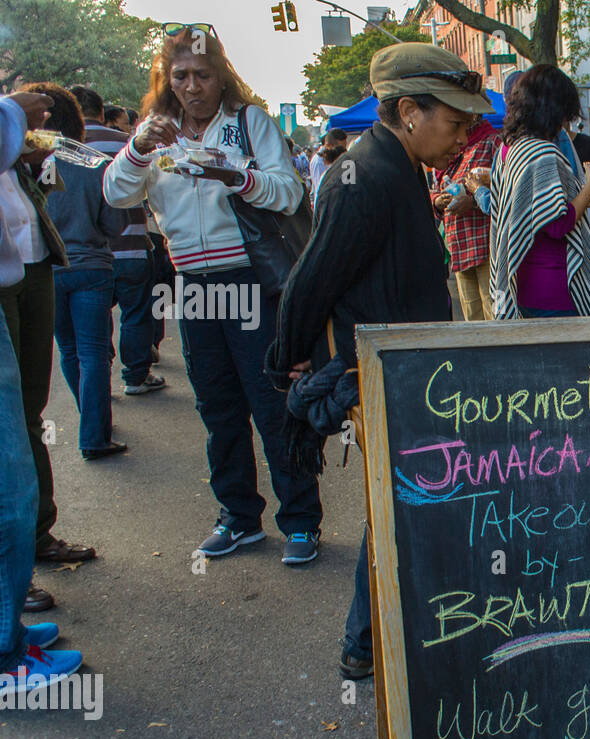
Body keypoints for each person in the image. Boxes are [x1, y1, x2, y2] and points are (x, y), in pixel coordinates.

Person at [269, 43, 490, 679]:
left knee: (402, 507)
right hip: (382, 378)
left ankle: (370, 641)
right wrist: (290, 363)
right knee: (399, 508)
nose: (462, 136)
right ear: (408, 111)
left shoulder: (399, 167)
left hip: (412, 376)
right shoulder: (360, 178)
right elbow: (310, 283)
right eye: (454, 122)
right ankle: (366, 645)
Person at [103, 25, 323, 565]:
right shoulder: (155, 133)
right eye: (180, 75)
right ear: (166, 77)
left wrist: (235, 175)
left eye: (203, 74)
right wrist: (136, 149)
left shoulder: (250, 123)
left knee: (270, 404)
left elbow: (288, 190)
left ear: (221, 74)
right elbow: (115, 194)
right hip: (194, 285)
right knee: (217, 406)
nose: (192, 85)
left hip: (250, 279)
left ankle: (300, 522)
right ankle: (238, 517)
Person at [0, 90, 102, 604]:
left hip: (33, 265)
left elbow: (44, 191)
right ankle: (9, 583)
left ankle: (35, 539)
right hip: (6, 281)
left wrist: (33, 159)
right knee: (6, 422)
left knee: (28, 413)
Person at [28, 83, 130, 460]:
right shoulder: (94, 164)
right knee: (93, 352)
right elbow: (115, 225)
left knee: (69, 350)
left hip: (47, 269)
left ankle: (91, 419)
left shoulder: (28, 165)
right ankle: (94, 434)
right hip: (92, 267)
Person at [489, 65, 590, 320]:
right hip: (556, 285)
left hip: (525, 282)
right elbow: (557, 224)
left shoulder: (510, 150)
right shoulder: (543, 153)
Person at [75, 84, 164, 396]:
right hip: (132, 246)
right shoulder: (127, 143)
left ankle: (97, 384)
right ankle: (136, 376)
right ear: (101, 112)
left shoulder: (62, 147)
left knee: (93, 329)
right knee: (136, 313)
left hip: (85, 252)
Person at [432, 116, 499, 322]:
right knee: (473, 323)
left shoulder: (492, 142)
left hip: (487, 247)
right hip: (459, 247)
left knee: (495, 317)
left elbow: (506, 192)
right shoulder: (452, 146)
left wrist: (472, 202)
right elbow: (436, 188)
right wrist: (437, 201)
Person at [310, 128, 347, 198]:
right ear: (328, 145)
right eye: (340, 148)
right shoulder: (319, 161)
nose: (344, 152)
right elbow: (321, 188)